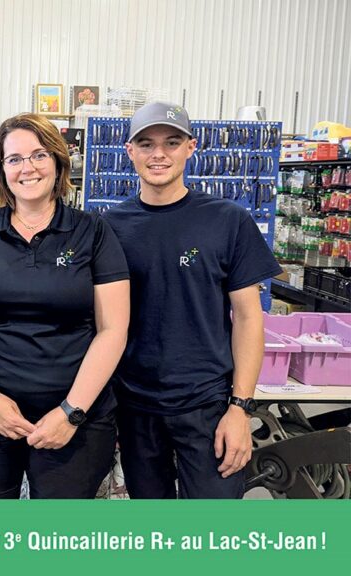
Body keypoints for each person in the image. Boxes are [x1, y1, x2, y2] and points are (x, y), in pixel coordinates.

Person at [0, 113, 131, 498]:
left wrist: (71, 412)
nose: (27, 168)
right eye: (14, 159)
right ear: (1, 169)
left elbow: (113, 329)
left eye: (39, 155)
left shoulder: (93, 231)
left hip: (75, 415)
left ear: (58, 162)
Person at [102, 101, 282, 499]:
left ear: (191, 147)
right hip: (135, 406)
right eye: (146, 144)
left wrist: (240, 408)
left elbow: (248, 318)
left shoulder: (228, 220)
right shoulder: (109, 227)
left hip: (208, 406)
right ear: (130, 151)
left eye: (171, 142)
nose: (159, 154)